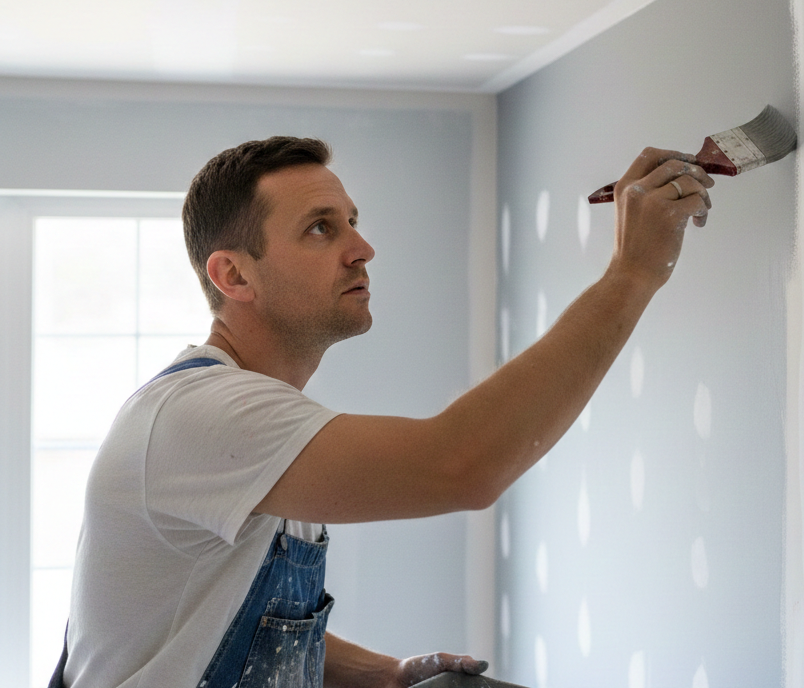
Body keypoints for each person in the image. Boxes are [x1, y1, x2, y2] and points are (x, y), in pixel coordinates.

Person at [55, 135, 712, 687]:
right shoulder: (201, 414)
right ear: (233, 277)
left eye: (352, 221)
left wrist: (386, 674)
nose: (362, 247)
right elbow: (461, 465)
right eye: (320, 228)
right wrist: (634, 270)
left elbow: (227, 618)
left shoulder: (262, 428)